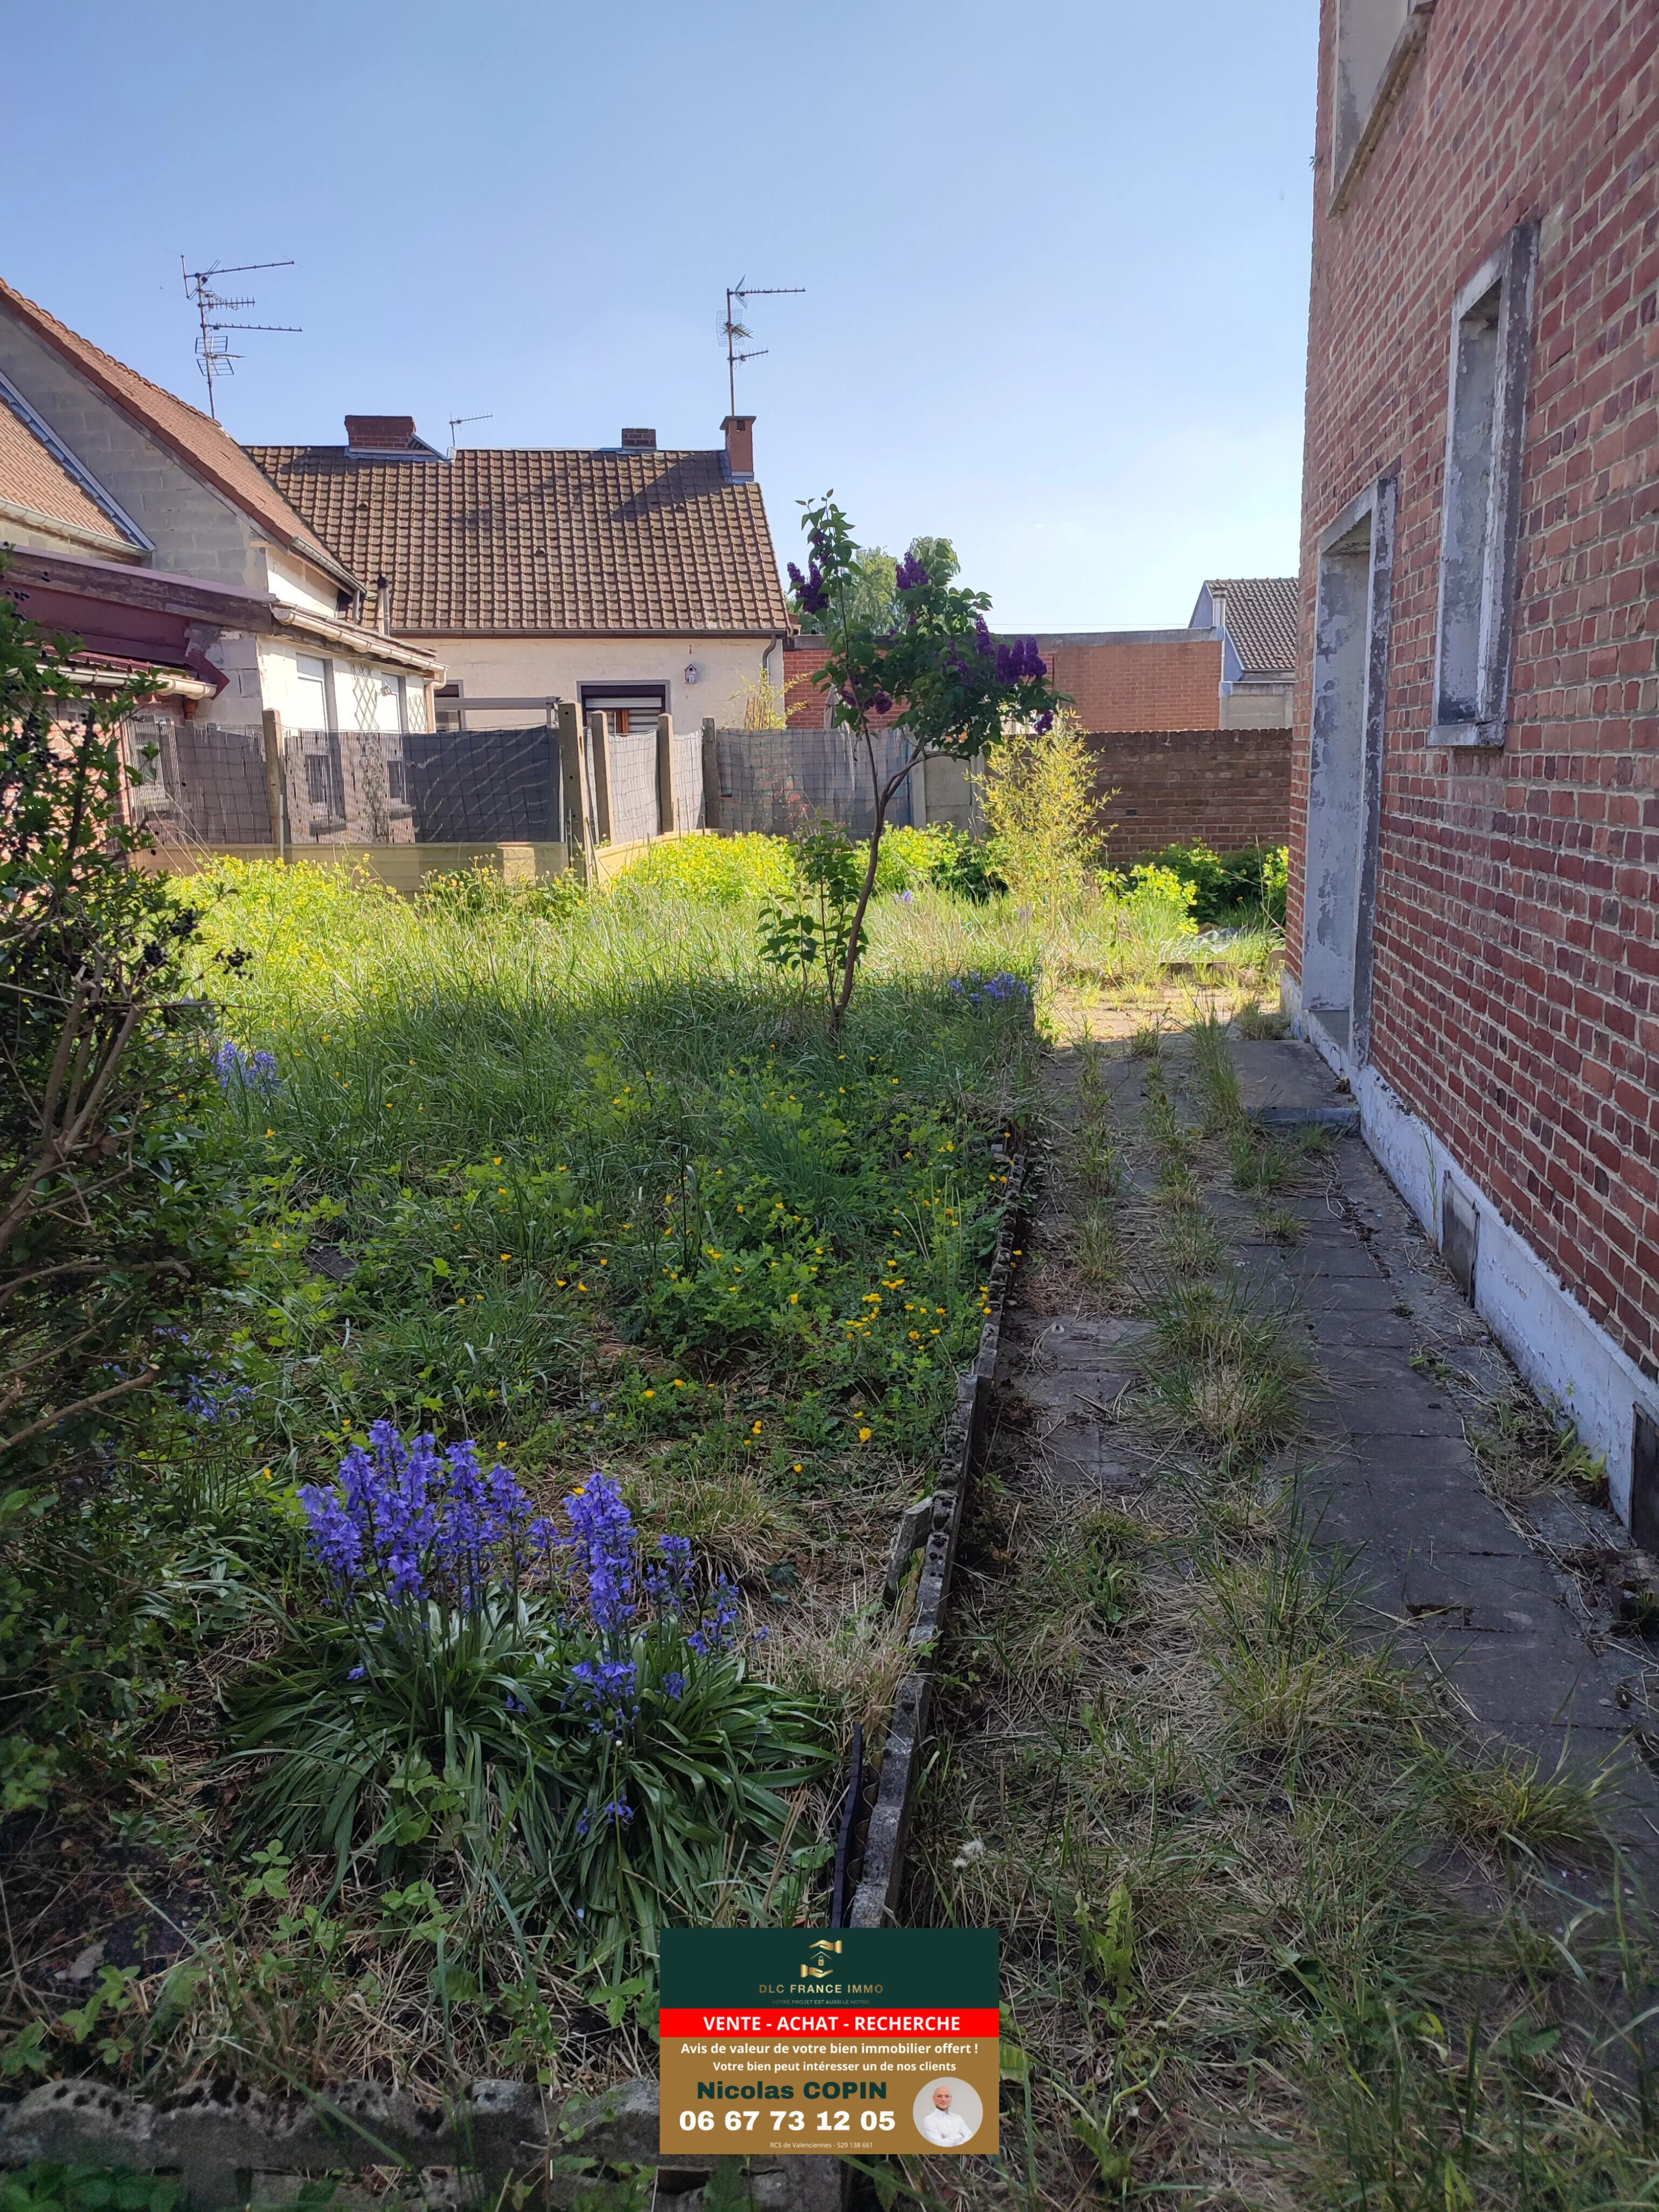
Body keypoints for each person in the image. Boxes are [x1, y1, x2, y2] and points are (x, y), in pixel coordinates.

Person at [916, 2081, 977, 2147]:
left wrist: (948, 2141)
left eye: (947, 2096)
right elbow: (939, 2145)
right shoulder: (928, 2121)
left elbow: (970, 2137)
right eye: (940, 2096)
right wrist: (960, 2136)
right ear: (934, 2098)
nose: (944, 2100)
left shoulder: (958, 2118)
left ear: (951, 2099)